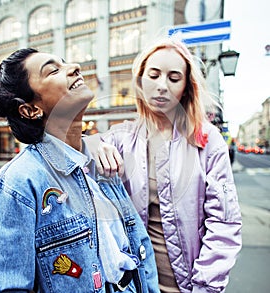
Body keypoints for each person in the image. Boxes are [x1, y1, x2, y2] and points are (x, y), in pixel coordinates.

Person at [0, 48, 160, 293]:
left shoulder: (102, 164)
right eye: (53, 70)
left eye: (65, 62)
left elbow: (140, 249)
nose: (75, 66)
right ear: (30, 110)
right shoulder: (12, 190)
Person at [86, 38, 242, 293]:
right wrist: (92, 144)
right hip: (133, 286)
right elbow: (72, 157)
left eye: (173, 78)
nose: (161, 86)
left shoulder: (208, 141)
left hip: (189, 286)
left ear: (186, 87)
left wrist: (205, 288)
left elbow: (225, 222)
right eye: (154, 75)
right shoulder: (120, 138)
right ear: (140, 80)